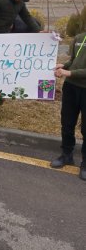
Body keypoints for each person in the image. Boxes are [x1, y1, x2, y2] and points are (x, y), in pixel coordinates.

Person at [50, 32, 86, 181]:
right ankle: (66, 155)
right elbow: (74, 60)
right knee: (67, 123)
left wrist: (68, 72)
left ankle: (85, 163)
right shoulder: (79, 38)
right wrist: (63, 65)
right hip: (71, 87)